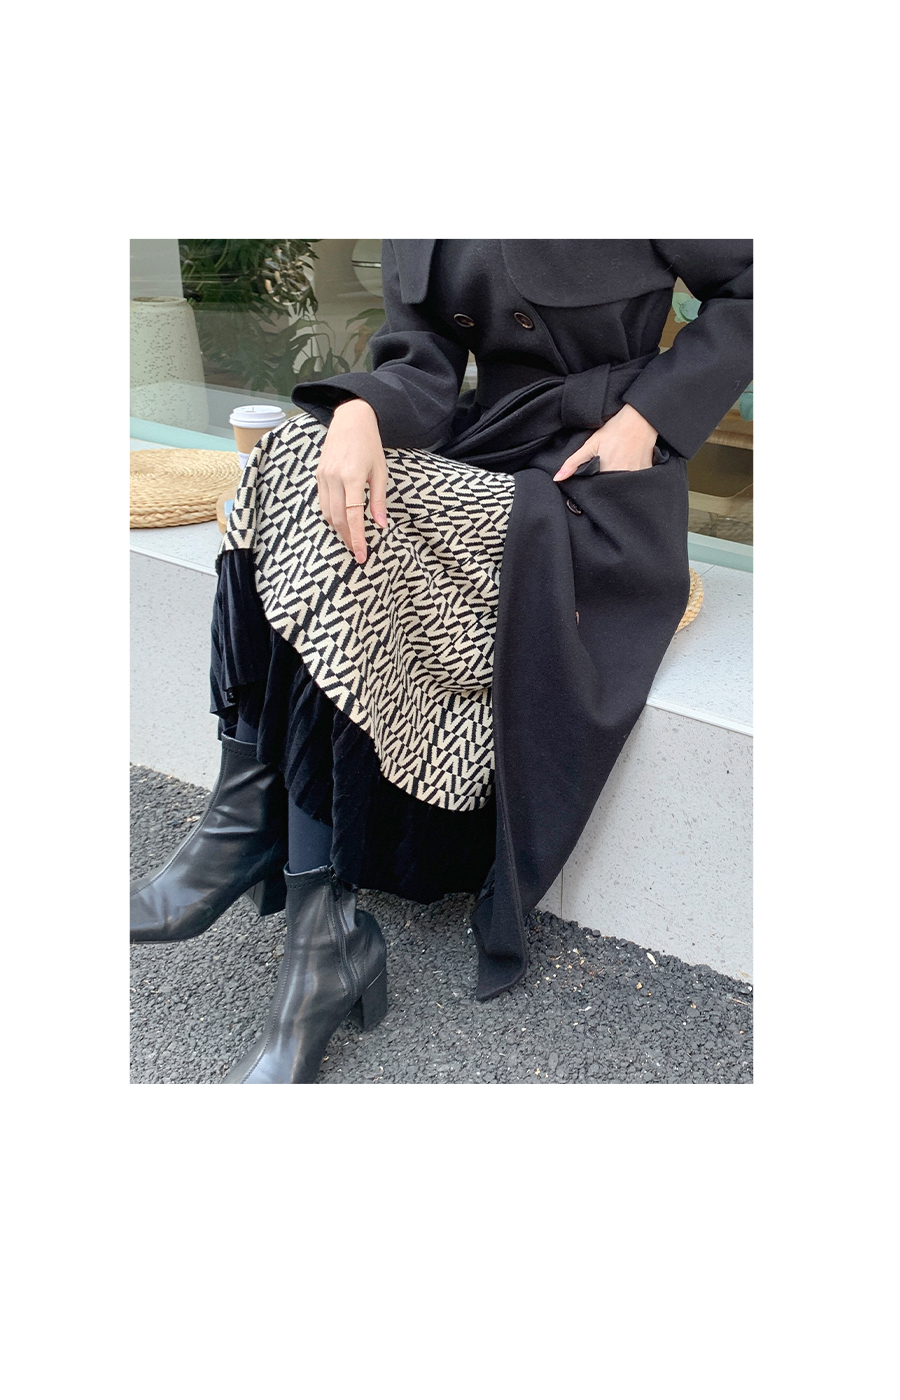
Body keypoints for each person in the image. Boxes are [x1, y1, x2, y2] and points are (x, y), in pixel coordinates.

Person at [130, 238, 753, 1084]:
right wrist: (358, 413)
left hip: (596, 484)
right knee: (298, 461)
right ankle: (300, 910)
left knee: (327, 513)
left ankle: (270, 867)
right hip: (487, 445)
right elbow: (422, 363)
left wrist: (649, 417)